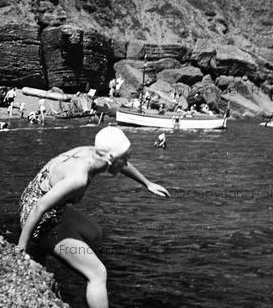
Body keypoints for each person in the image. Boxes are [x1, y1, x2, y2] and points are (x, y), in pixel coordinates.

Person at [17, 127, 170, 308]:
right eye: (125, 158)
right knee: (97, 273)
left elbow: (121, 163)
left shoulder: (94, 152)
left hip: (42, 202)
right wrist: (20, 251)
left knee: (94, 234)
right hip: (38, 215)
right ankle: (39, 248)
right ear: (111, 159)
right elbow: (39, 207)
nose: (128, 162)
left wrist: (147, 183)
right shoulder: (78, 177)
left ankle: (47, 253)